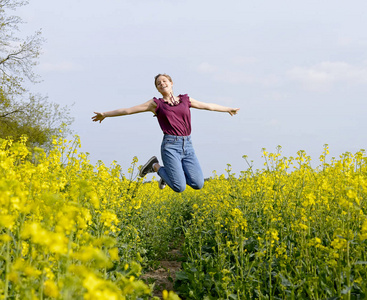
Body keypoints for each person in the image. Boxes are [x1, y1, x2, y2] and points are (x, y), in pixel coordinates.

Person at [92, 74, 239, 192]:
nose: (162, 83)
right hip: (170, 146)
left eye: (164, 81)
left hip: (188, 145)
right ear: (157, 89)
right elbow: (128, 110)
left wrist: (228, 109)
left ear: (171, 83)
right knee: (179, 187)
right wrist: (105, 114)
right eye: (158, 83)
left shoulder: (185, 100)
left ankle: (168, 174)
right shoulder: (156, 104)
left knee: (198, 184)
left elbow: (208, 106)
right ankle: (155, 166)